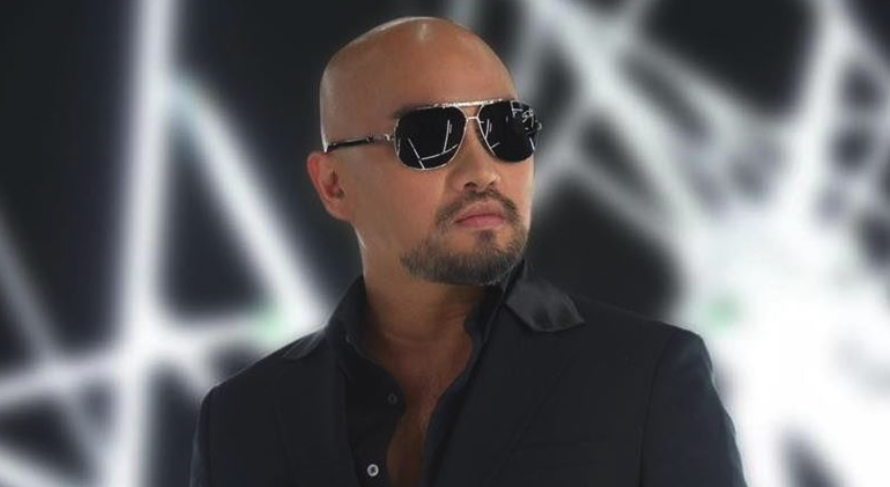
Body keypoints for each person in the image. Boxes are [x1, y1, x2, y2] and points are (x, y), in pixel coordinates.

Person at [188, 16, 748, 487]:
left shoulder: (647, 383)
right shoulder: (241, 420)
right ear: (334, 184)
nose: (483, 171)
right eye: (429, 136)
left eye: (507, 129)